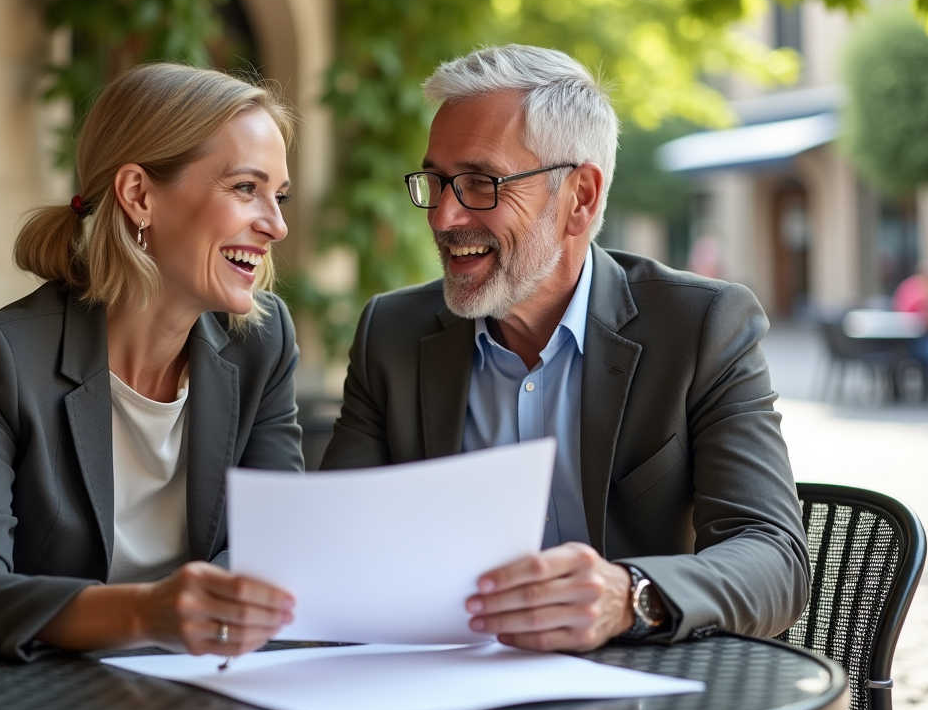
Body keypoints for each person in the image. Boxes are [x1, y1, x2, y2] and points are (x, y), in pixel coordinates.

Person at [320, 45, 809, 652]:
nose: (443, 217)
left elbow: (773, 557)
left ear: (580, 198)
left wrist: (626, 597)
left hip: (643, 689)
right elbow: (334, 544)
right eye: (438, 182)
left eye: (480, 183)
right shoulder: (391, 334)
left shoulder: (701, 326)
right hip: (443, 684)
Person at [0, 64, 301, 661]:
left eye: (280, 196)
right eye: (246, 188)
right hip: (29, 696)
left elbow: (278, 544)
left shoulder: (262, 344)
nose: (277, 225)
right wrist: (145, 613)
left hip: (195, 687)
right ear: (139, 195)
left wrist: (206, 611)